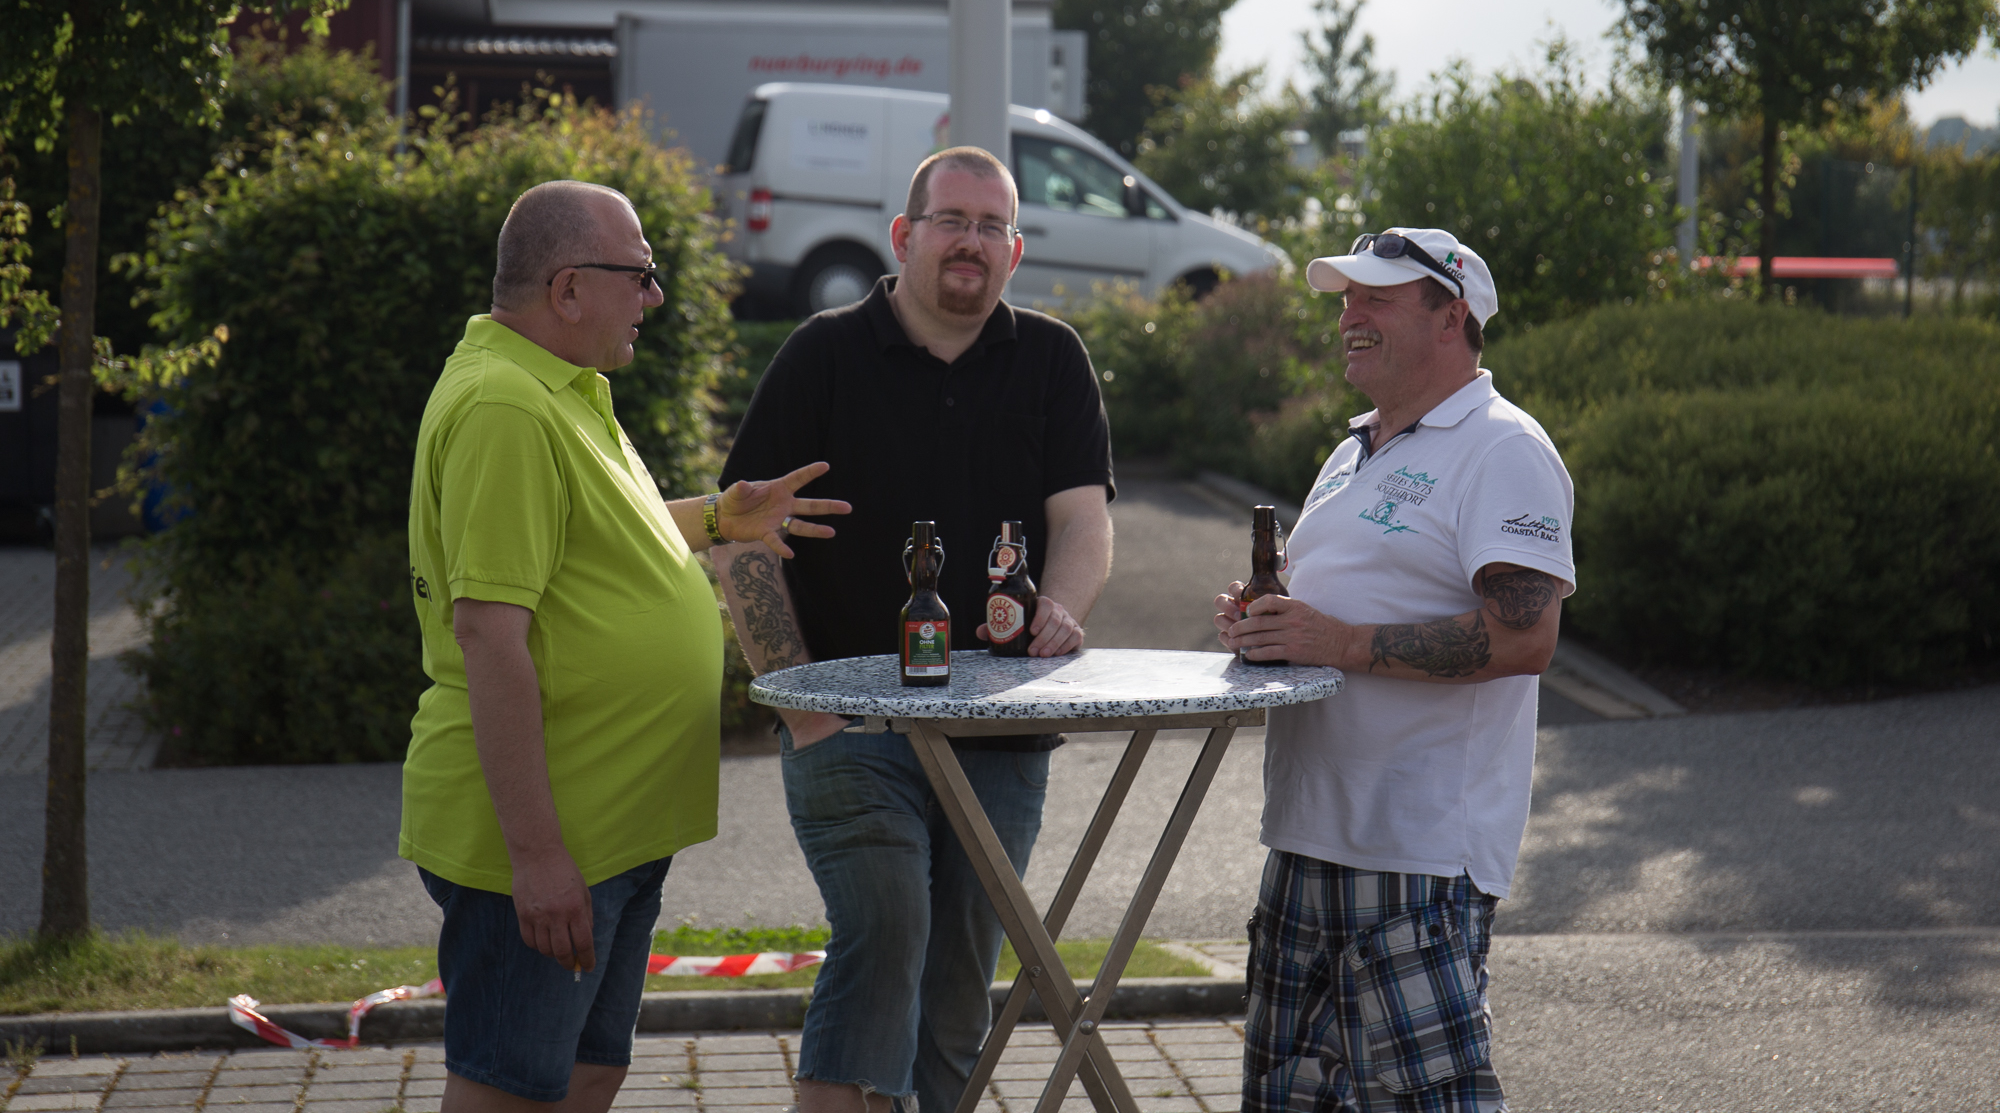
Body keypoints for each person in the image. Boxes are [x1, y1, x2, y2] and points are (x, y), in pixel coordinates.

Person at [401, 180, 848, 1113]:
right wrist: (537, 856)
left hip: (615, 827)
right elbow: (488, 633)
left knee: (587, 1075)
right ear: (568, 289)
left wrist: (718, 516)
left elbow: (598, 539)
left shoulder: (559, 390)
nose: (655, 296)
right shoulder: (506, 407)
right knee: (508, 1093)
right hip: (554, 841)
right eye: (640, 274)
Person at [714, 146, 1116, 1113]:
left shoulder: (1053, 357)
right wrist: (804, 710)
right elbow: (740, 544)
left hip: (1003, 734)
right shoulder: (820, 354)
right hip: (847, 724)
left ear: (1015, 249)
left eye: (992, 226)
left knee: (955, 995)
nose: (972, 242)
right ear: (905, 235)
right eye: (952, 221)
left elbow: (1084, 522)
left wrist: (1062, 606)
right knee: (886, 930)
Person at [1214, 227, 1574, 1113]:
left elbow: (1525, 639)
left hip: (1419, 861)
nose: (1350, 315)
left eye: (1376, 297)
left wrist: (1335, 639)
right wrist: (1267, 621)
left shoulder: (1503, 447)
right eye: (1346, 299)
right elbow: (1331, 610)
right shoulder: (1351, 452)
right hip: (1305, 840)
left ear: (1451, 317)